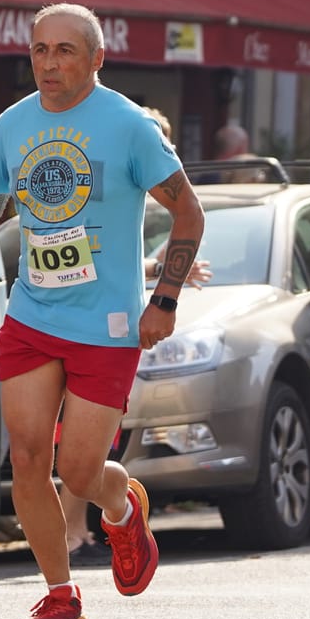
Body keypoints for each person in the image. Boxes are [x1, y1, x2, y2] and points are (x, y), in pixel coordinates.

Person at [0, 4, 204, 619]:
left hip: (107, 326)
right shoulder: (12, 125)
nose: (50, 62)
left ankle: (122, 507)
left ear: (96, 59)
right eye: (40, 50)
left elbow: (188, 214)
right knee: (30, 458)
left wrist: (164, 300)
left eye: (65, 50)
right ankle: (61, 598)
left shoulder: (130, 126)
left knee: (80, 472)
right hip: (33, 314)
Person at [60, 106, 209, 563]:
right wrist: (159, 272)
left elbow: (113, 258)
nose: (163, 156)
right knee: (68, 447)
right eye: (157, 145)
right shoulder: (100, 188)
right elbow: (85, 252)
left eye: (167, 146)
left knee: (86, 448)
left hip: (112, 333)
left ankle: (77, 531)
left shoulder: (156, 204)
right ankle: (71, 535)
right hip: (64, 325)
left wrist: (164, 276)